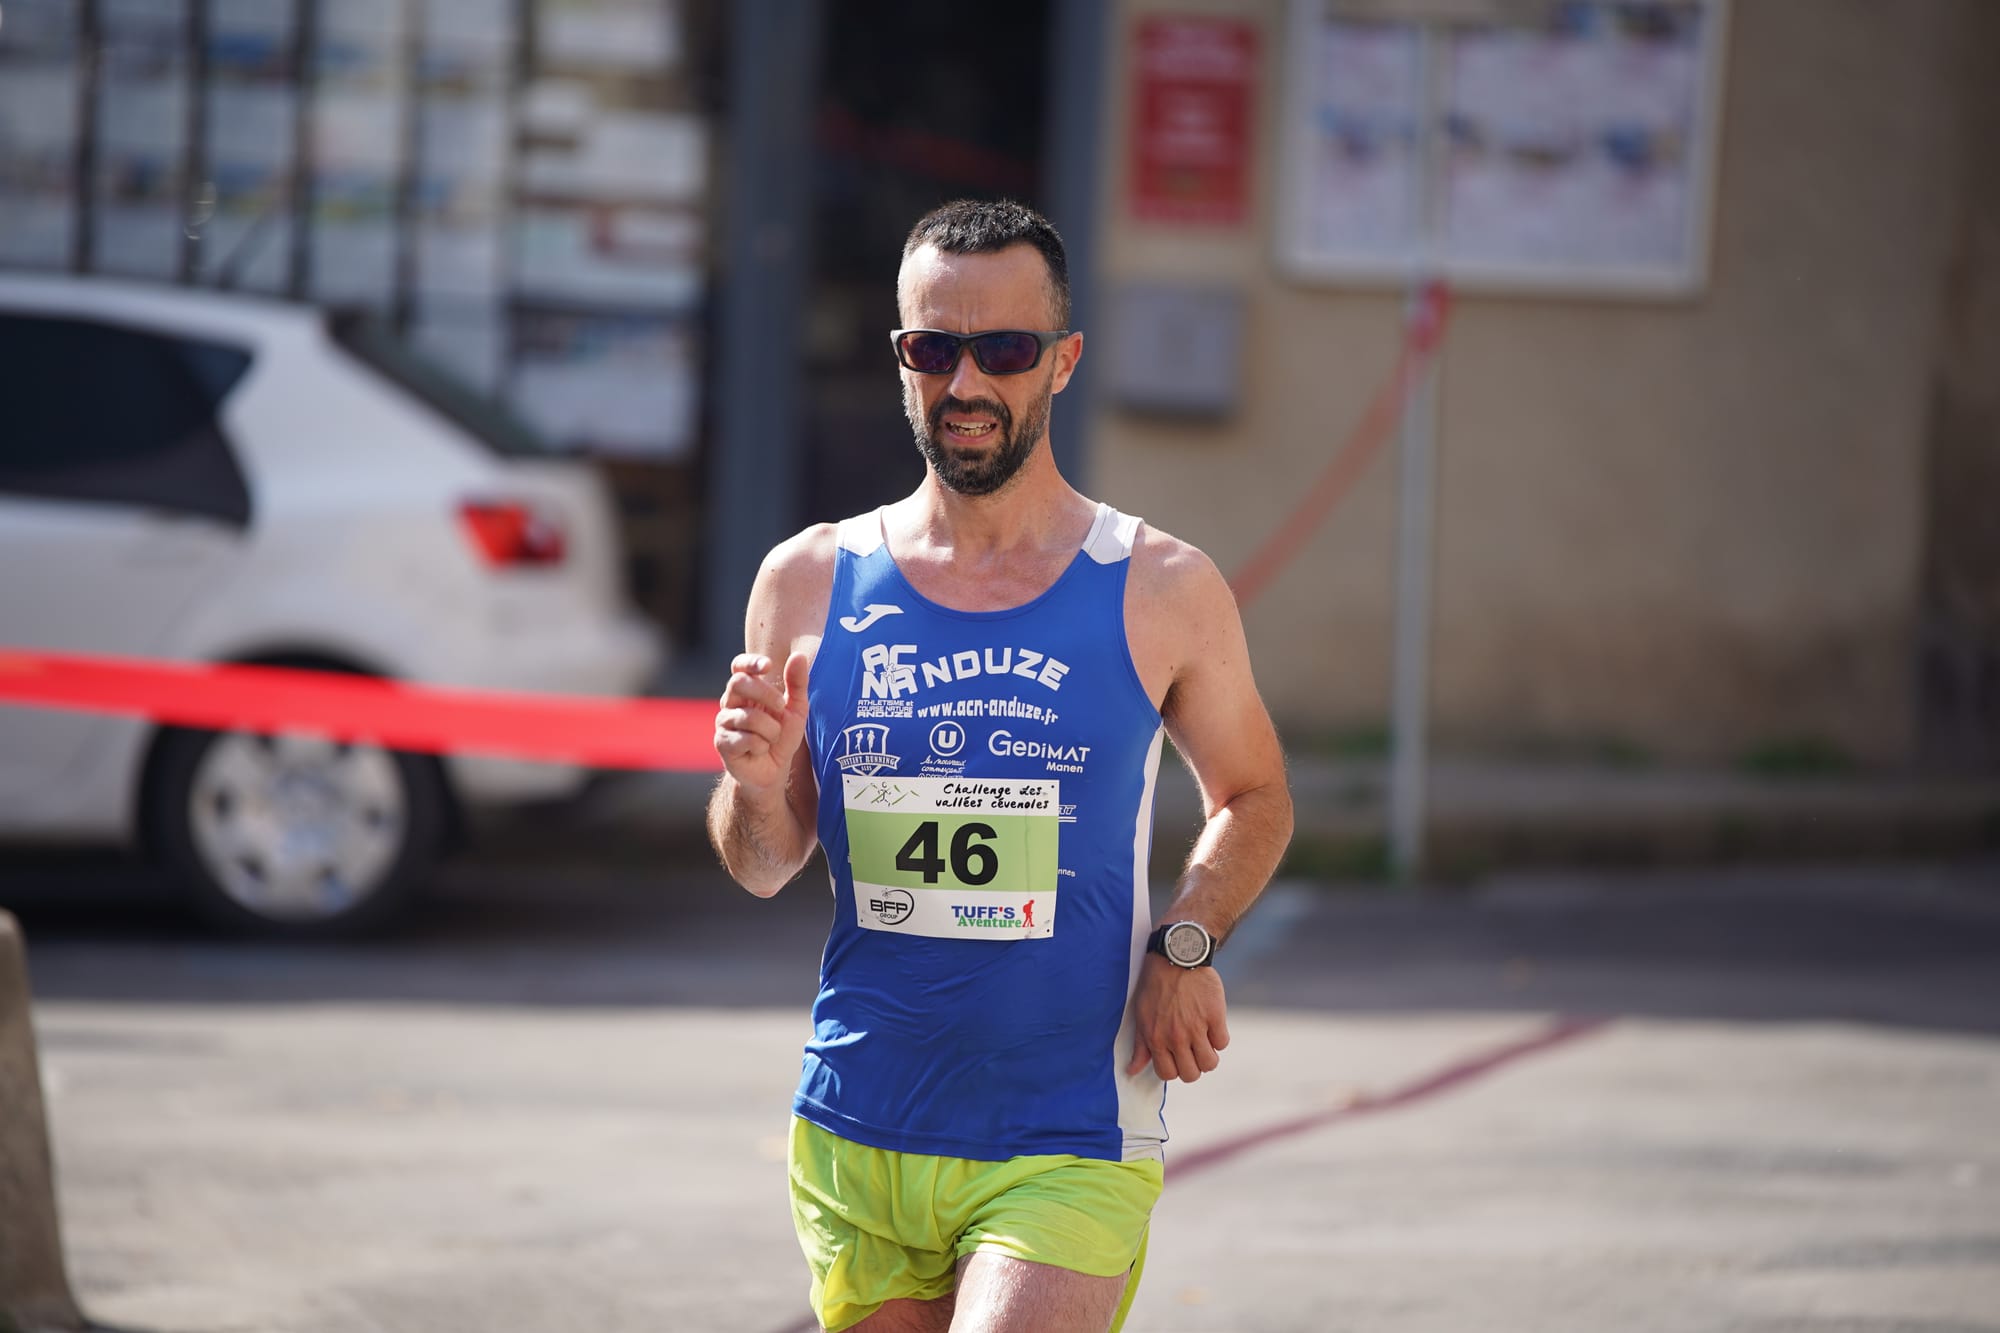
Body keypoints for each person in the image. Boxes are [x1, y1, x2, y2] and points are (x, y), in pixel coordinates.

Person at [708, 198, 1292, 1333]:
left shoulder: (1160, 584)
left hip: (1064, 1133)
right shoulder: (807, 580)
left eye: (1004, 351)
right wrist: (754, 778)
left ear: (1061, 361)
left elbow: (1253, 793)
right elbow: (762, 862)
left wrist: (1186, 939)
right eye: (934, 349)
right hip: (858, 1125)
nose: (965, 384)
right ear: (900, 359)